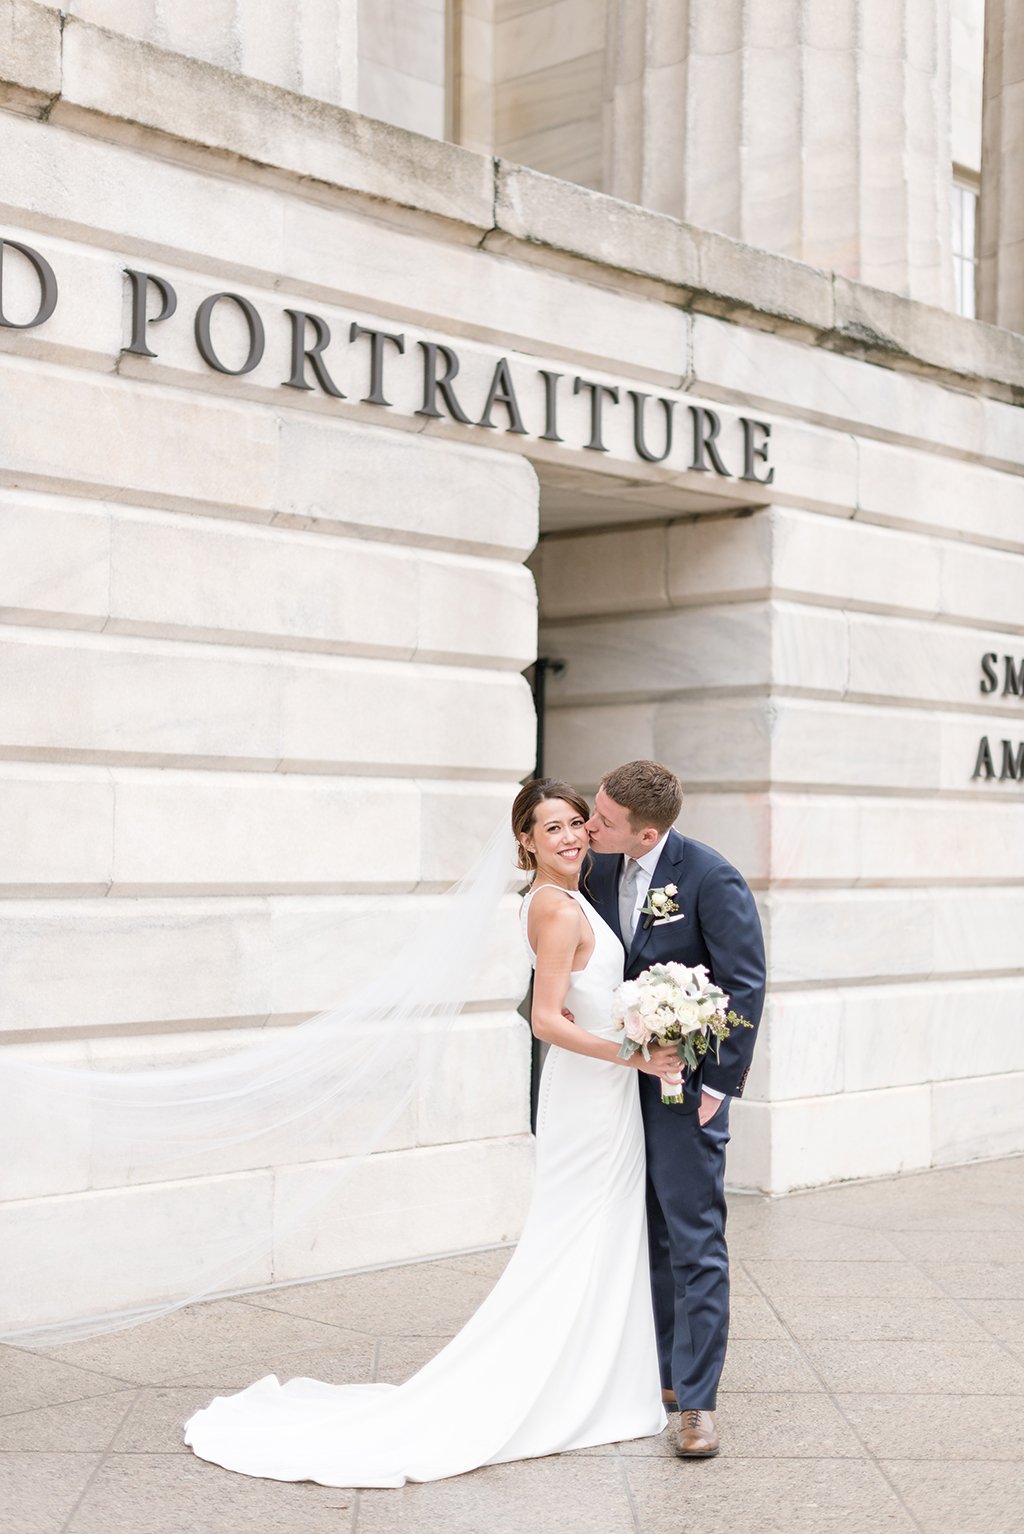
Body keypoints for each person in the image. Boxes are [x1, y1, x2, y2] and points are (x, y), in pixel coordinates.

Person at [183, 777, 683, 1487]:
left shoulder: (569, 899)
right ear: (526, 842)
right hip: (591, 1095)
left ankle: (593, 1381)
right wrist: (633, 1053)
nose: (571, 836)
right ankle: (571, 1388)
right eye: (553, 829)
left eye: (576, 822)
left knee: (597, 1233)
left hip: (603, 1093)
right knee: (577, 1232)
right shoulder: (555, 910)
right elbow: (546, 1020)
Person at [583, 760, 766, 1459]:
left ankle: (695, 1405)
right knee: (641, 1233)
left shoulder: (708, 878)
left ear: (647, 831)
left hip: (682, 1088)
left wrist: (717, 1088)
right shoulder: (597, 869)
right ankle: (659, 1373)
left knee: (692, 1239)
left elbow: (743, 985)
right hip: (610, 1082)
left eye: (602, 818)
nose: (590, 824)